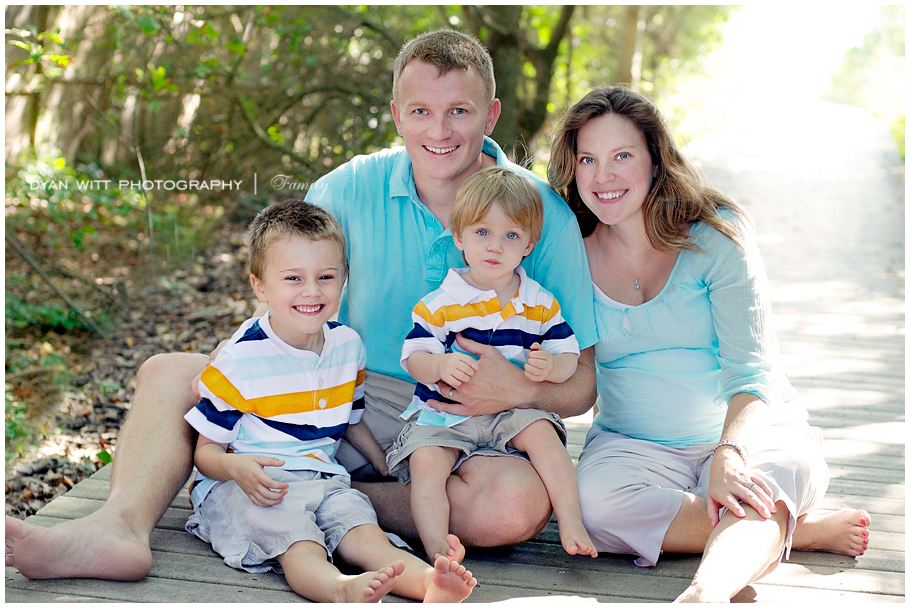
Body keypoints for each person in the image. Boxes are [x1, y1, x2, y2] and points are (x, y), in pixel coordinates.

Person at [5, 29, 597, 581]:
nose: (438, 131)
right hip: (341, 394)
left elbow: (582, 387)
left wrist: (522, 391)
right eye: (420, 111)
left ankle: (324, 503)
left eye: (459, 112)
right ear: (397, 116)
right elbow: (293, 298)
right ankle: (119, 528)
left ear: (491, 115)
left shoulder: (539, 213)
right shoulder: (346, 189)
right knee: (170, 374)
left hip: (468, 422)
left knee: (516, 507)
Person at [546, 85, 872, 602]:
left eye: (622, 156)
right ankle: (787, 530)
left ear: (657, 160)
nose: (602, 176)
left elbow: (753, 370)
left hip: (750, 433)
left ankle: (706, 593)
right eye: (588, 159)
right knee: (591, 506)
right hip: (637, 444)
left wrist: (730, 453)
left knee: (768, 478)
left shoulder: (716, 235)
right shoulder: (567, 251)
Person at [181, 199, 476, 603]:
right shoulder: (241, 359)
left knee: (363, 531)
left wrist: (379, 460)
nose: (311, 291)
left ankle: (430, 584)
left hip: (323, 476)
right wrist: (236, 467)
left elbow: (350, 420)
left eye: (325, 277)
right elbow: (206, 452)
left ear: (344, 280)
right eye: (292, 278)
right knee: (298, 543)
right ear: (260, 286)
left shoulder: (347, 345)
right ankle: (338, 589)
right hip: (249, 486)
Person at [385, 166, 597, 562]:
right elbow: (414, 357)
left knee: (544, 437)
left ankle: (571, 520)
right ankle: (436, 548)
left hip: (510, 410)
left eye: (510, 235)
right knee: (428, 467)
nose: (495, 247)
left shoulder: (538, 302)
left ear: (529, 245)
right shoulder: (441, 303)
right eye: (483, 233)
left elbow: (568, 352)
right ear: (459, 237)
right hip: (445, 413)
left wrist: (549, 368)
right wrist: (439, 366)